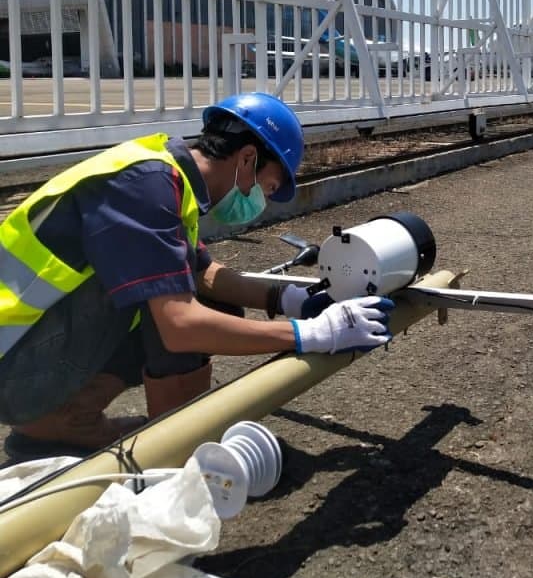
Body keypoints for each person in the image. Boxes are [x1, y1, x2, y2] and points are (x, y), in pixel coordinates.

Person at [0, 92, 393, 462]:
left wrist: (287, 299)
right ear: (247, 159)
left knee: (203, 296)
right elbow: (181, 326)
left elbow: (206, 272)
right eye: (269, 187)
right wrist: (314, 333)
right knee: (177, 305)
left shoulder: (163, 175)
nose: (263, 201)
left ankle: (64, 422)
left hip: (25, 350)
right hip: (13, 369)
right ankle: (175, 449)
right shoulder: (145, 188)